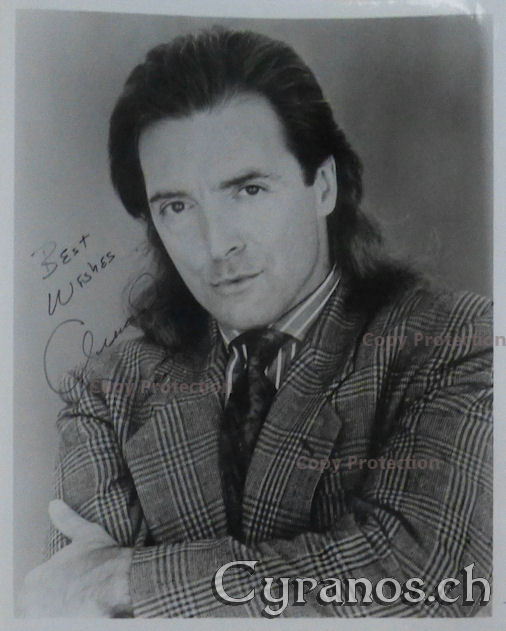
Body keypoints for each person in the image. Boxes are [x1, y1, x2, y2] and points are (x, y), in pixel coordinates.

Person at [19, 27, 492, 617]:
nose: (216, 244)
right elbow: (71, 612)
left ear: (323, 186)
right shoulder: (108, 392)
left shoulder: (457, 344)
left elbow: (421, 577)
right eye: (177, 206)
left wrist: (126, 578)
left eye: (248, 190)